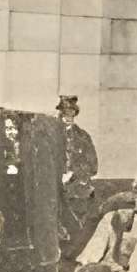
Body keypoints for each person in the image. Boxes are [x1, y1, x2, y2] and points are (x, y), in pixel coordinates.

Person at [55, 94, 103, 261]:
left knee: (78, 227)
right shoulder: (50, 136)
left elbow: (93, 166)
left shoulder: (83, 137)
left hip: (77, 190)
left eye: (70, 114)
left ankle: (73, 259)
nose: (67, 118)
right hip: (54, 189)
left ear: (75, 115)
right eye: (63, 114)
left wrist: (73, 174)